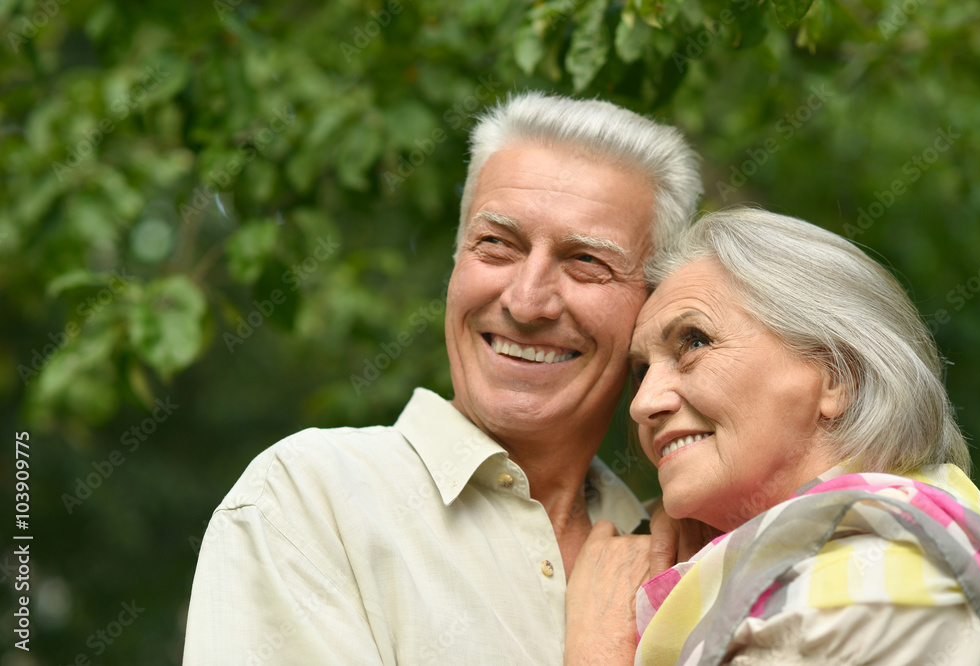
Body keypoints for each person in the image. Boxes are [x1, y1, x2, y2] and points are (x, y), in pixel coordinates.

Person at [182, 91, 703, 664]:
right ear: (456, 264)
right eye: (497, 245)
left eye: (586, 262)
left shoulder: (684, 547)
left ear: (653, 308)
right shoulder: (308, 499)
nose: (527, 303)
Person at [566, 207, 980, 665]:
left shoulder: (881, 593)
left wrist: (598, 649)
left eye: (694, 342)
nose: (643, 402)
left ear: (837, 376)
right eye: (640, 371)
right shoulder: (800, 568)